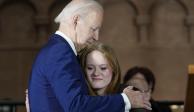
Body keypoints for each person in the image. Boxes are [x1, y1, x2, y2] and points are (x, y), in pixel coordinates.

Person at [28, 0, 151, 112]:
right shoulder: (60, 51)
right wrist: (125, 100)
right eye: (93, 29)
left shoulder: (57, 48)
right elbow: (75, 106)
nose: (96, 37)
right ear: (76, 20)